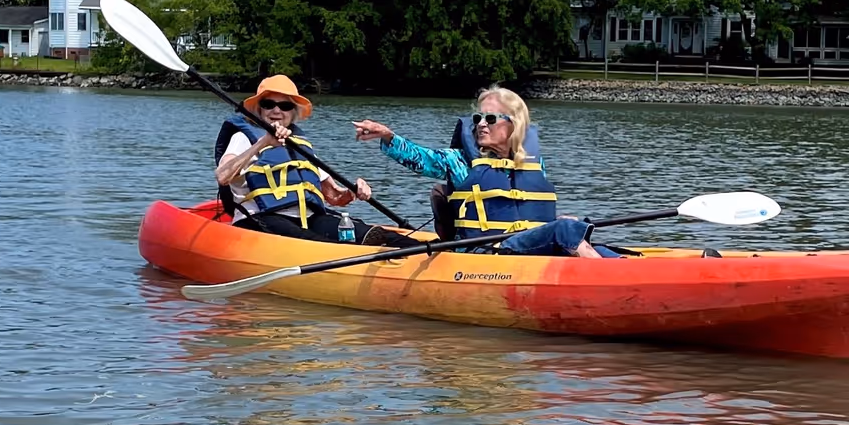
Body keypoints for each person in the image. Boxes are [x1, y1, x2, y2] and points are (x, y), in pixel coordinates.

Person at [352, 85, 616, 258]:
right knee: (565, 229)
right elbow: (422, 158)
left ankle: (621, 268)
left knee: (583, 234)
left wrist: (558, 221)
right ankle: (607, 279)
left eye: (490, 119)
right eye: (478, 119)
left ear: (515, 125)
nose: (481, 125)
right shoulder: (458, 161)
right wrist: (387, 137)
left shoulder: (533, 162)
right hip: (487, 253)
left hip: (527, 249)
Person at [216, 74, 376, 243]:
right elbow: (222, 175)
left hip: (308, 219)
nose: (276, 111)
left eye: (285, 106)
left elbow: (334, 197)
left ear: (293, 112)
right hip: (260, 217)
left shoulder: (300, 144)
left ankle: (398, 250)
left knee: (369, 233)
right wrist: (263, 144)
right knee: (316, 241)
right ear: (259, 109)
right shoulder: (244, 138)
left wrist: (353, 191)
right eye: (268, 104)